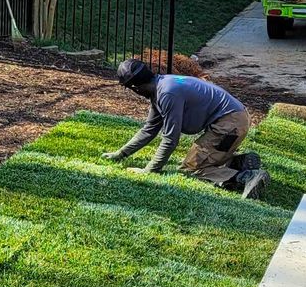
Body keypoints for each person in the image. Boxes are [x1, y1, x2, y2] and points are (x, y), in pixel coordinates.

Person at [102, 59, 268, 198]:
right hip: (233, 120)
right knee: (201, 158)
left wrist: (150, 170)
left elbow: (170, 139)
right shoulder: (162, 86)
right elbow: (149, 129)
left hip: (229, 125)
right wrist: (121, 154)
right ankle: (238, 162)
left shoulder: (168, 93)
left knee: (191, 168)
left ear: (135, 88)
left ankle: (245, 177)